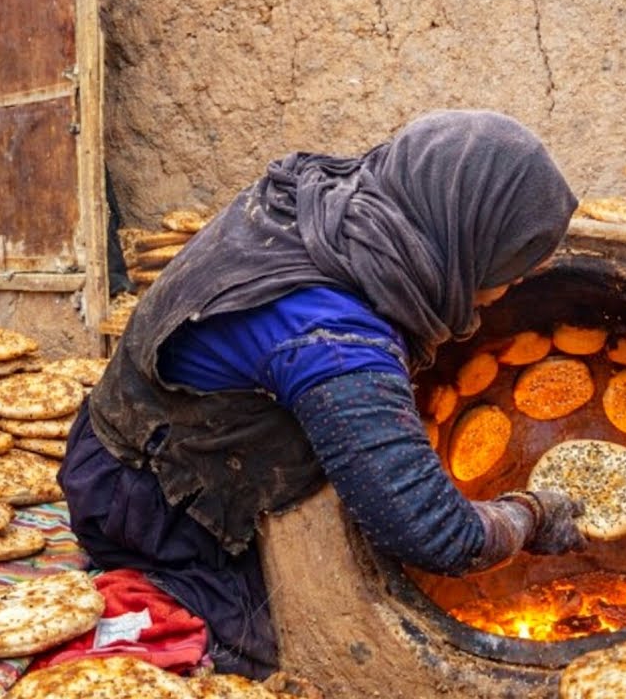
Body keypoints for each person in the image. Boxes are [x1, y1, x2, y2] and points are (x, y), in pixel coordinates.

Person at [59, 110, 588, 679]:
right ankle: (161, 587)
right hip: (146, 502)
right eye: (511, 269)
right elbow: (437, 535)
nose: (511, 286)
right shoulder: (331, 334)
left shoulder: (345, 208)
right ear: (469, 238)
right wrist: (532, 514)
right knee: (275, 649)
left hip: (142, 443)